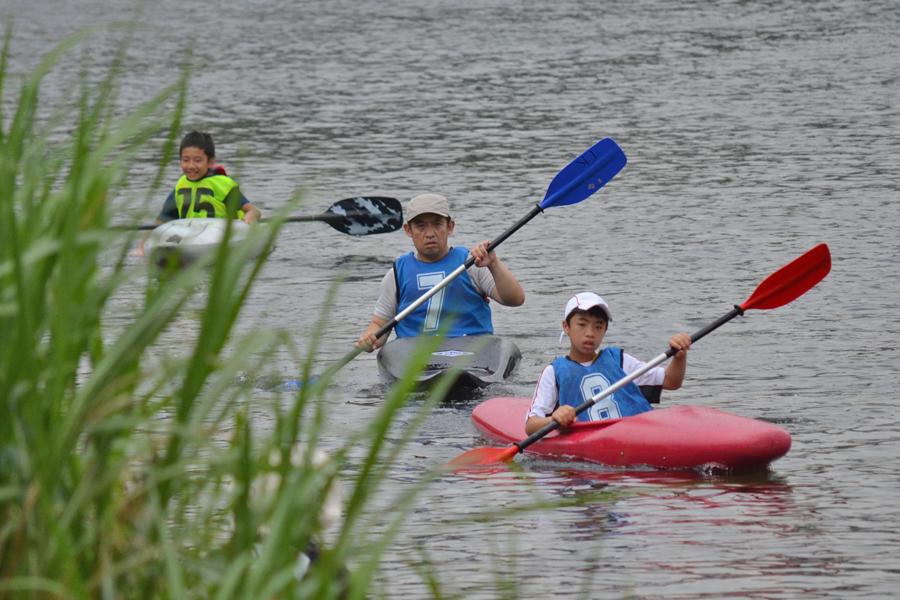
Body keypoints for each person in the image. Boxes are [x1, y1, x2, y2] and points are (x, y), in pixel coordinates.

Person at [356, 193, 525, 351]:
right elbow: (379, 324)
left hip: (471, 353)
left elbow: (515, 299)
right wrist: (372, 338)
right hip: (413, 355)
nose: (429, 234)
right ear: (409, 230)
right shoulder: (397, 274)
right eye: (420, 226)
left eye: (437, 224)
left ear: (450, 227)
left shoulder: (472, 263)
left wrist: (493, 263)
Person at [525, 292, 692, 435]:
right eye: (582, 325)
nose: (590, 333)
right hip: (589, 444)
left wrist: (679, 355)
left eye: (598, 327)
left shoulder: (620, 361)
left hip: (636, 436)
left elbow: (672, 381)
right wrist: (554, 419)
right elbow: (531, 426)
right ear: (566, 326)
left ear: (605, 331)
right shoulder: (553, 372)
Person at [133, 131, 261, 256]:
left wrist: (250, 215)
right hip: (190, 237)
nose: (191, 166)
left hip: (217, 237)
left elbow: (254, 210)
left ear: (210, 162)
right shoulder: (180, 187)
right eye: (186, 160)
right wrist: (142, 247)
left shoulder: (222, 185)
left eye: (198, 160)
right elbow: (160, 220)